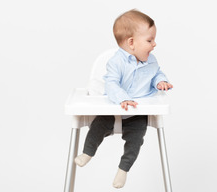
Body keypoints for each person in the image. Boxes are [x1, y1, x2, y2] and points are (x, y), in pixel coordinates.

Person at [74, 9, 173, 188]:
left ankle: (123, 169)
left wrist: (161, 81)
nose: (154, 44)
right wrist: (122, 99)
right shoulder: (116, 62)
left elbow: (156, 73)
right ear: (131, 43)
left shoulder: (151, 60)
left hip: (137, 111)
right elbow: (111, 84)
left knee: (136, 140)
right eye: (150, 40)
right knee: (97, 127)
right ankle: (88, 152)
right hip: (116, 107)